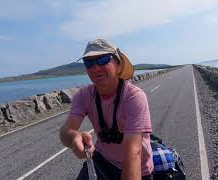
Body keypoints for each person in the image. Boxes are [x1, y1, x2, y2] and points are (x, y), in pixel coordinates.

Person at [59, 39, 153, 180]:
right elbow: (66, 130)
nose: (95, 68)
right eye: (89, 63)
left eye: (103, 60)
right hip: (102, 161)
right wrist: (73, 138)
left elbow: (133, 153)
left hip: (138, 168)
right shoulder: (84, 96)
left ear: (118, 64)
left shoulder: (133, 97)